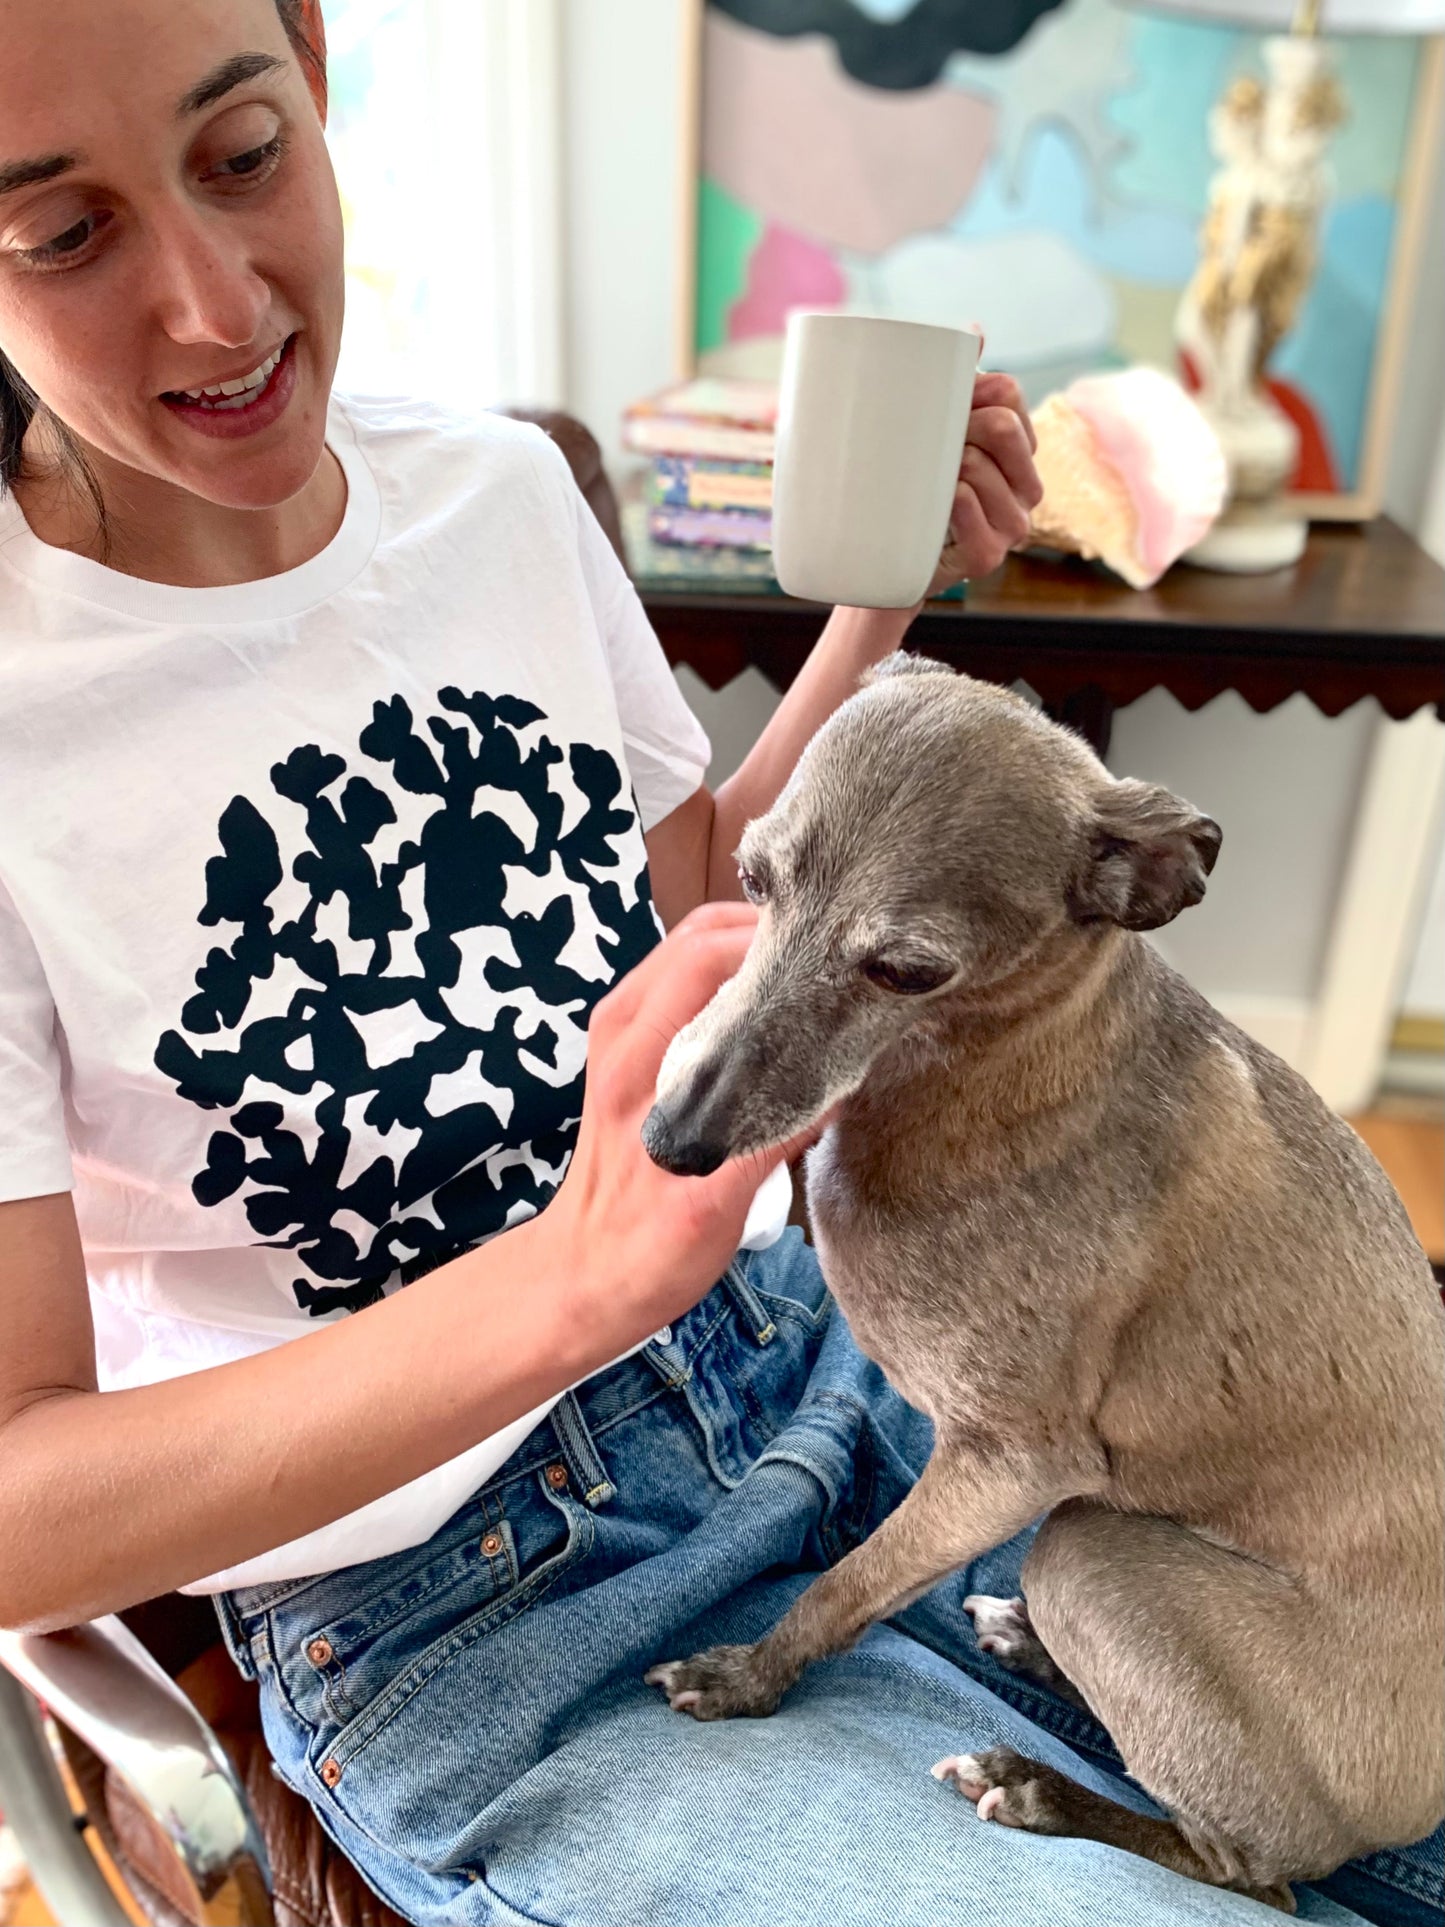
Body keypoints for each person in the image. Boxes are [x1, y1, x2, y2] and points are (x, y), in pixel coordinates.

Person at [0, 4, 1433, 1924]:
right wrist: (569, 1285)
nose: (209, 302)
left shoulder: (493, 494)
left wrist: (878, 607)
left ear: (318, 71)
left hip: (849, 1381)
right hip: (485, 1606)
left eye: (243, 155)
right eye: (59, 234)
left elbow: (675, 890)